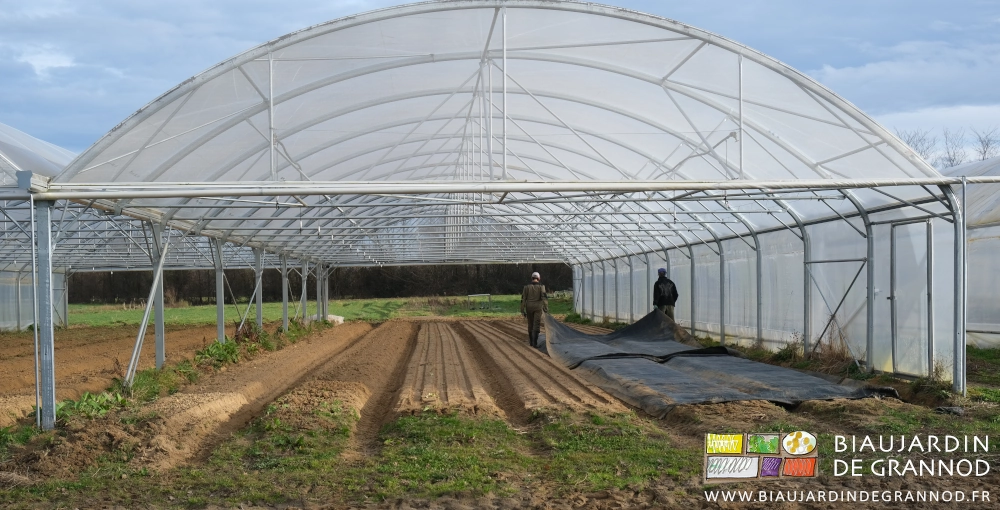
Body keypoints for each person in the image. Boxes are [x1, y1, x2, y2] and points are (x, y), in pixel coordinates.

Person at [520, 271, 549, 348]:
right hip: (538, 307)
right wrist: (546, 308)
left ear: (532, 278)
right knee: (536, 324)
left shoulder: (526, 287)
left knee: (530, 324)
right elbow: (544, 298)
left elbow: (523, 299)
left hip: (529, 307)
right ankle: (535, 343)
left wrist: (522, 310)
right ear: (539, 278)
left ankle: (530, 341)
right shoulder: (541, 286)